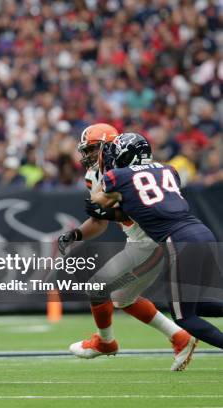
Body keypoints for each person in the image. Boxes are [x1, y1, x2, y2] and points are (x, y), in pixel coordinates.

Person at [58, 124, 195, 371]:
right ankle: (180, 337)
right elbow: (99, 221)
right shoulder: (95, 176)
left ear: (108, 147)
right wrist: (76, 233)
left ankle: (105, 342)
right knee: (123, 298)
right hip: (138, 241)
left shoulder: (131, 171)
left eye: (91, 149)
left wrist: (110, 212)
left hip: (151, 241)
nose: (87, 156)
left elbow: (129, 212)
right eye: (86, 150)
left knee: (98, 287)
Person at [92, 132, 223, 349]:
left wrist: (101, 178)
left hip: (180, 240)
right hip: (202, 232)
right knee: (195, 305)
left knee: (184, 318)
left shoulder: (118, 176)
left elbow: (98, 198)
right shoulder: (168, 169)